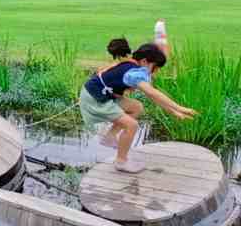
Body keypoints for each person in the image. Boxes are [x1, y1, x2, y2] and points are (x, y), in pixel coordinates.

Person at [79, 42, 197, 173]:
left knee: (137, 107)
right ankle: (121, 161)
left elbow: (152, 96)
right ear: (145, 61)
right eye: (155, 67)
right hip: (94, 99)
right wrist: (179, 107)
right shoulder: (133, 73)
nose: (155, 72)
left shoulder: (132, 65)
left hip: (100, 94)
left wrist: (174, 111)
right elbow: (152, 93)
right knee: (131, 125)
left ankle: (110, 136)